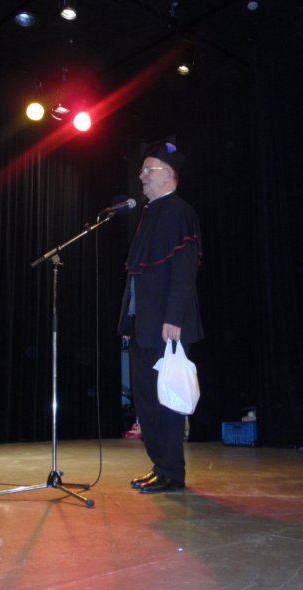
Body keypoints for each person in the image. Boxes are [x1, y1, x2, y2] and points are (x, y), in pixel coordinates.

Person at [118, 141, 204, 493]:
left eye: (148, 169)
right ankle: (160, 466)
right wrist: (128, 322)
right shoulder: (150, 213)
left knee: (166, 401)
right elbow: (138, 278)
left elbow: (183, 269)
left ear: (168, 175)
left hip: (166, 326)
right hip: (144, 325)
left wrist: (174, 318)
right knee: (146, 400)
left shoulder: (178, 210)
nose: (141, 176)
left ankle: (172, 472)